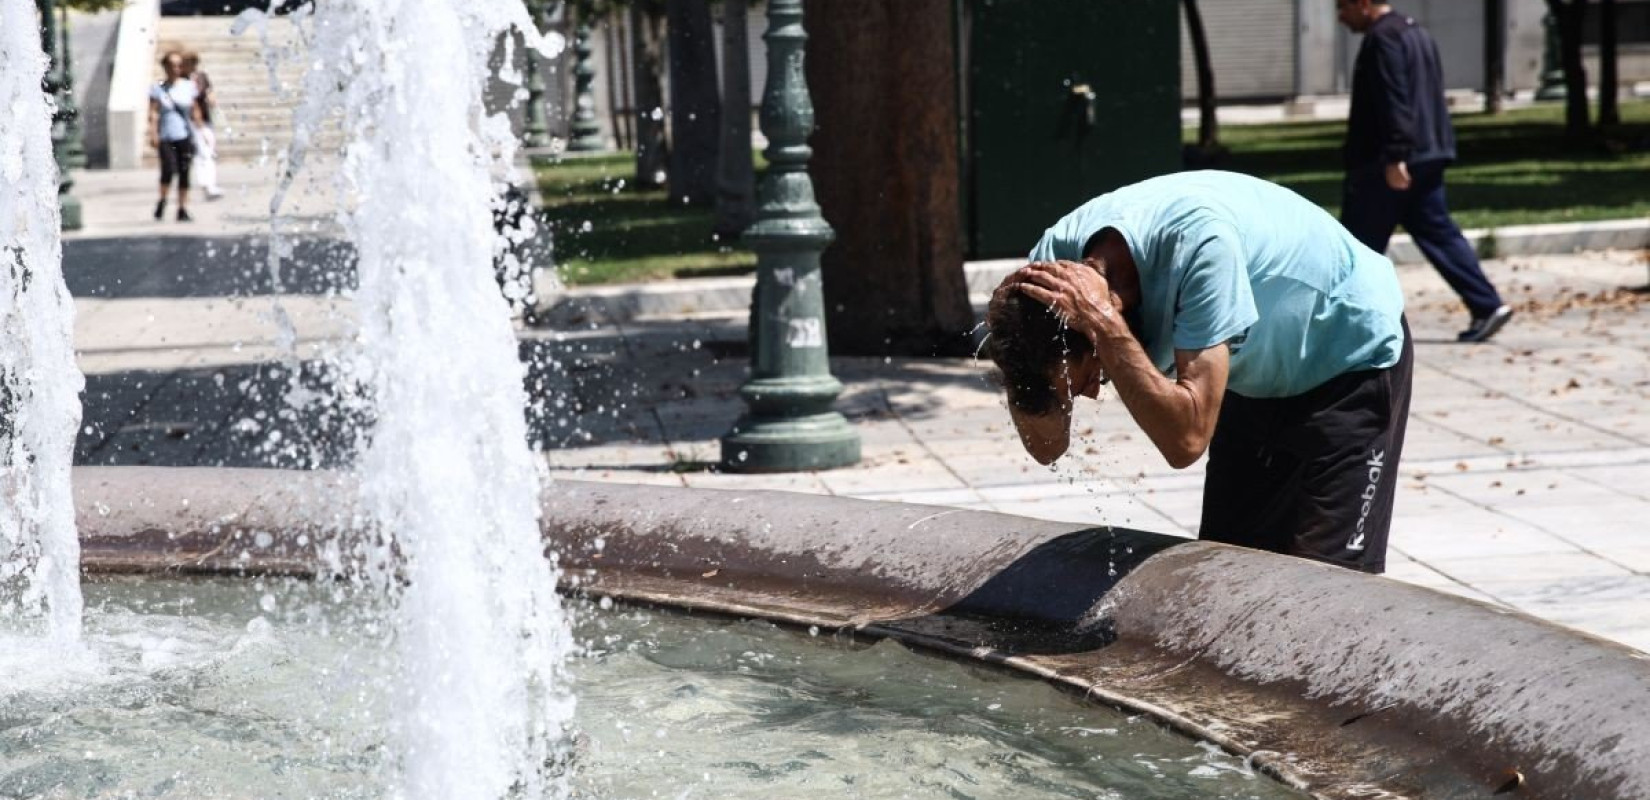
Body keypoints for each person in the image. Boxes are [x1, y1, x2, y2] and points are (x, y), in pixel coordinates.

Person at [984, 171, 1412, 574]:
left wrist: (1106, 327)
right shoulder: (1047, 278)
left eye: (1093, 374)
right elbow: (1048, 448)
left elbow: (1186, 440)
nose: (1096, 393)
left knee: (1327, 588)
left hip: (1350, 355)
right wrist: (1019, 367)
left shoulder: (1200, 248)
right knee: (1229, 575)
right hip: (1254, 376)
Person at [1336, 0, 1513, 343]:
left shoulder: (1382, 38)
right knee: (1438, 233)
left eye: (1343, 7)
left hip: (1390, 162)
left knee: (1354, 247)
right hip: (1429, 151)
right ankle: (1486, 304)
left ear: (1363, 3)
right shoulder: (1415, 31)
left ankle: (1339, 326)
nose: (1341, 17)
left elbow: (1394, 98)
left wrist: (1396, 155)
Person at [148, 51, 206, 222]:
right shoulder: (158, 88)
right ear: (165, 67)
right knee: (168, 170)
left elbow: (195, 109)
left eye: (179, 65)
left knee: (184, 172)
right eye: (172, 65)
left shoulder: (188, 86)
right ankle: (163, 199)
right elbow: (153, 113)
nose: (175, 68)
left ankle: (182, 208)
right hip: (166, 136)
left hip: (184, 135)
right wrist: (153, 133)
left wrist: (200, 127)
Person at [181, 51, 224, 201]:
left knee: (208, 152)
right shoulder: (182, 80)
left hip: (206, 119)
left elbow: (210, 94)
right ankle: (207, 185)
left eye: (194, 63)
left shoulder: (201, 77)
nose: (192, 66)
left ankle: (210, 184)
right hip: (192, 122)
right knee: (203, 153)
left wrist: (212, 100)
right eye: (189, 63)